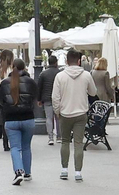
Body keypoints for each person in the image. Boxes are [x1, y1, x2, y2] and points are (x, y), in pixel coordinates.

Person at [52, 49, 96, 181]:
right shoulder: (87, 75)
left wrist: (58, 111)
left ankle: (64, 170)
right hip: (81, 113)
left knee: (65, 141)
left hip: (65, 113)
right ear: (79, 61)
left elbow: (55, 97)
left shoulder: (60, 76)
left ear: (66, 61)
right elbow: (93, 92)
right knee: (78, 143)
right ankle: (78, 172)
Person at [0, 58, 39, 185]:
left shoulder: (5, 82)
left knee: (15, 147)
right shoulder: (30, 82)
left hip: (11, 119)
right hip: (28, 118)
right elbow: (35, 97)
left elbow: (0, 101)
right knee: (26, 146)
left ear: (12, 67)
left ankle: (18, 171)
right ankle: (27, 172)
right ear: (24, 67)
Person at [39, 53, 62, 145]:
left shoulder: (43, 74)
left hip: (47, 98)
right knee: (58, 118)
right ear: (56, 62)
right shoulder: (60, 73)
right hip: (58, 98)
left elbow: (39, 87)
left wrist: (39, 99)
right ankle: (59, 137)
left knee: (49, 118)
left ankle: (50, 137)